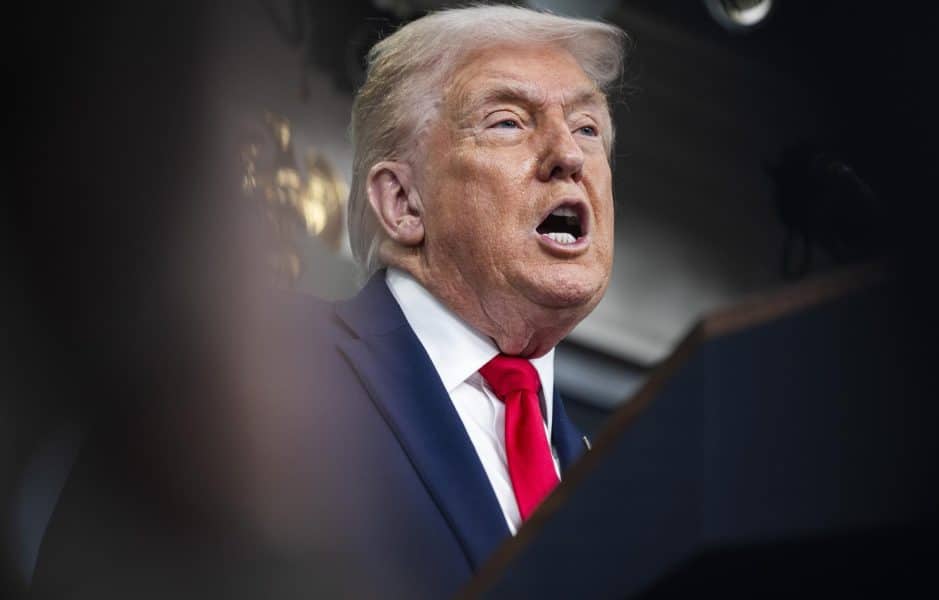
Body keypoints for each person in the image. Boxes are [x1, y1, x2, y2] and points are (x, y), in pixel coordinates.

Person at [32, 5, 626, 599]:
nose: (568, 156)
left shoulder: (613, 482)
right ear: (402, 203)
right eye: (507, 122)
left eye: (587, 128)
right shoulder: (252, 375)